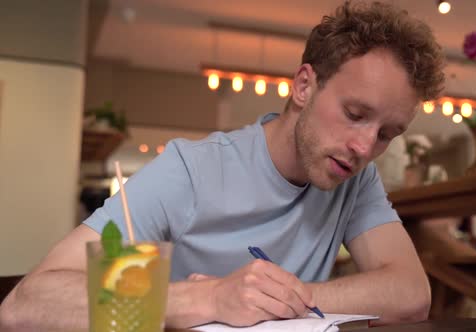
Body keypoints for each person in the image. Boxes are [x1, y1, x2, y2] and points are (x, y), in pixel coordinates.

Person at [0, 0, 445, 330]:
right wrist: (208, 298)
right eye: (354, 114)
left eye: (387, 134)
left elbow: (411, 293)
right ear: (305, 87)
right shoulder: (189, 170)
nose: (365, 147)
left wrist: (286, 296)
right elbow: (26, 304)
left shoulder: (355, 178)